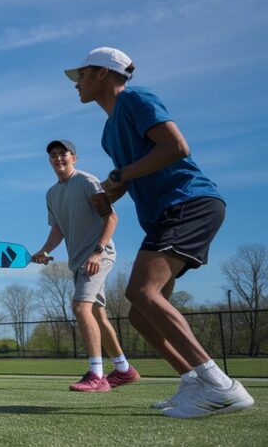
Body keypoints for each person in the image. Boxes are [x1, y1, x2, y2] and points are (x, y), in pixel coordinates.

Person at [66, 46, 253, 418]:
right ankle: (194, 384)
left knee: (141, 291)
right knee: (139, 313)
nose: (78, 84)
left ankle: (220, 385)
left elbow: (176, 147)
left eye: (83, 75)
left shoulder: (137, 97)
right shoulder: (108, 133)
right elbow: (134, 172)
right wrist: (108, 194)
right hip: (168, 213)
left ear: (103, 73)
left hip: (189, 203)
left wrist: (119, 177)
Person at [30, 139, 139, 392]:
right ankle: (124, 370)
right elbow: (58, 228)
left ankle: (96, 374)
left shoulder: (87, 182)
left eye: (63, 154)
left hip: (98, 256)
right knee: (97, 315)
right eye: (53, 155)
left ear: (74, 158)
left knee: (80, 307)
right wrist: (45, 250)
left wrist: (98, 252)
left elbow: (111, 217)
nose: (58, 158)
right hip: (78, 261)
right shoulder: (52, 194)